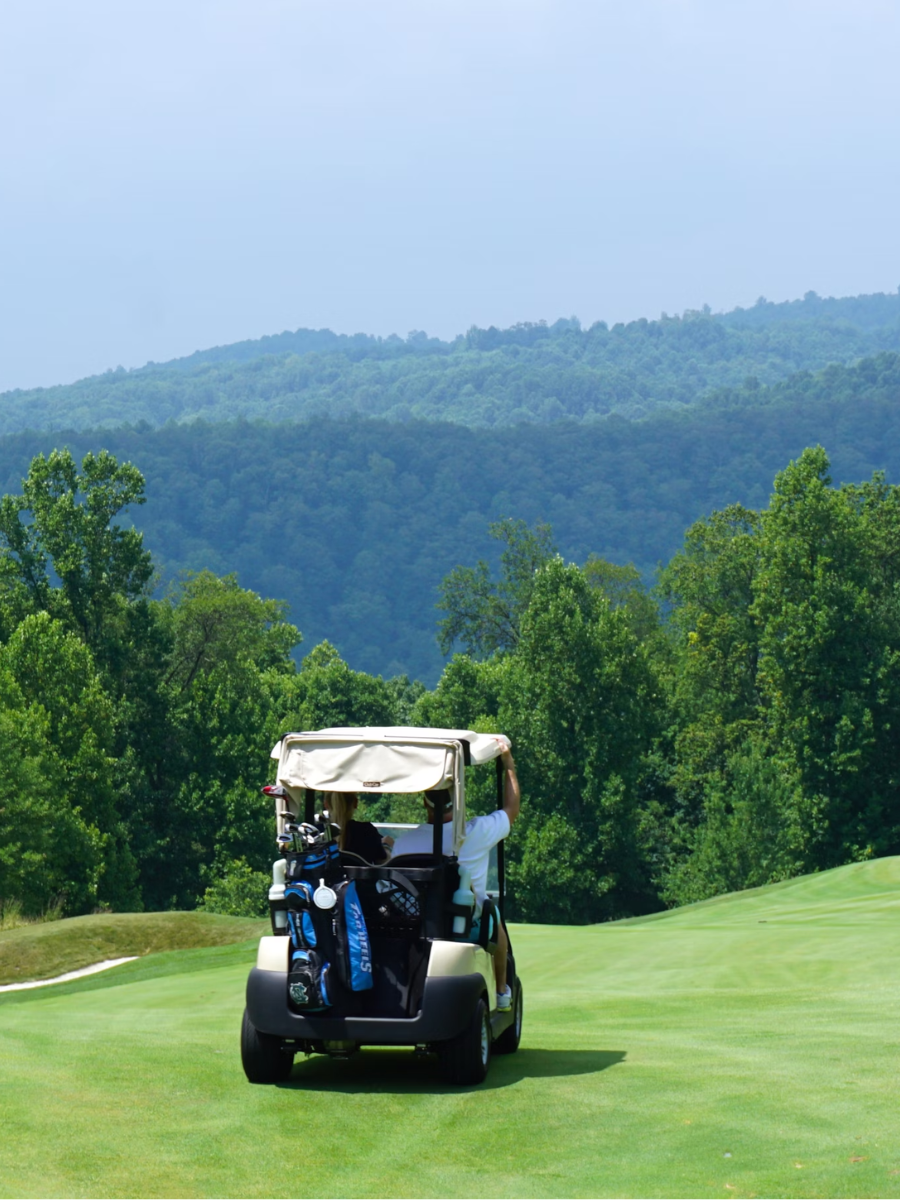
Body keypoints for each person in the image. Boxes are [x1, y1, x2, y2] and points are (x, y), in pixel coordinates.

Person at [390, 748, 520, 1010]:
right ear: (457, 800)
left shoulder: (403, 844)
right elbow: (511, 808)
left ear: (425, 802)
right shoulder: (477, 831)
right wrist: (508, 763)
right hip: (465, 922)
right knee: (492, 914)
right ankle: (502, 991)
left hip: (414, 922)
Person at [326, 792, 390, 864]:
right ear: (356, 803)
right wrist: (386, 846)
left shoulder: (319, 834)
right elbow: (382, 862)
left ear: (326, 805)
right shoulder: (367, 831)